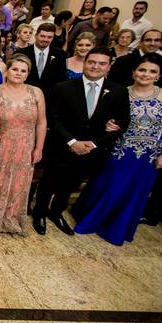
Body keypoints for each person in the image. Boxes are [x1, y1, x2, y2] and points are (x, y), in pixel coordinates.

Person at [73, 54, 162, 245]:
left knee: (134, 192)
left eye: (152, 71)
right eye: (142, 70)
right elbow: (104, 119)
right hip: (120, 151)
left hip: (148, 156)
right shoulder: (120, 93)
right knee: (109, 186)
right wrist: (108, 125)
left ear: (158, 75)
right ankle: (92, 220)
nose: (145, 74)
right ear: (133, 72)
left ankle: (117, 228)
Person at [31, 47, 131, 235]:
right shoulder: (63, 87)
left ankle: (56, 212)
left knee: (70, 184)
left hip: (91, 149)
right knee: (49, 181)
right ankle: (40, 213)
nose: (95, 66)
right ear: (85, 63)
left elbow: (122, 122)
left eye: (101, 63)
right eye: (91, 62)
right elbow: (53, 118)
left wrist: (93, 144)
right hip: (61, 145)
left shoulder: (118, 91)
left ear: (109, 66)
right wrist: (71, 141)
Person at [0, 55, 46, 238]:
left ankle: (11, 218)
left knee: (20, 184)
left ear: (27, 74)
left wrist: (39, 148)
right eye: (15, 69)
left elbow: (41, 122)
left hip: (26, 147)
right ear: (7, 71)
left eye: (23, 71)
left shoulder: (36, 92)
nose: (18, 73)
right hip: (2, 145)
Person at [16, 23, 68, 97]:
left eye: (49, 37)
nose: (45, 40)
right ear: (36, 35)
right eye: (42, 36)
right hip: (24, 95)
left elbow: (61, 79)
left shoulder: (60, 55)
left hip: (50, 98)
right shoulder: (21, 53)